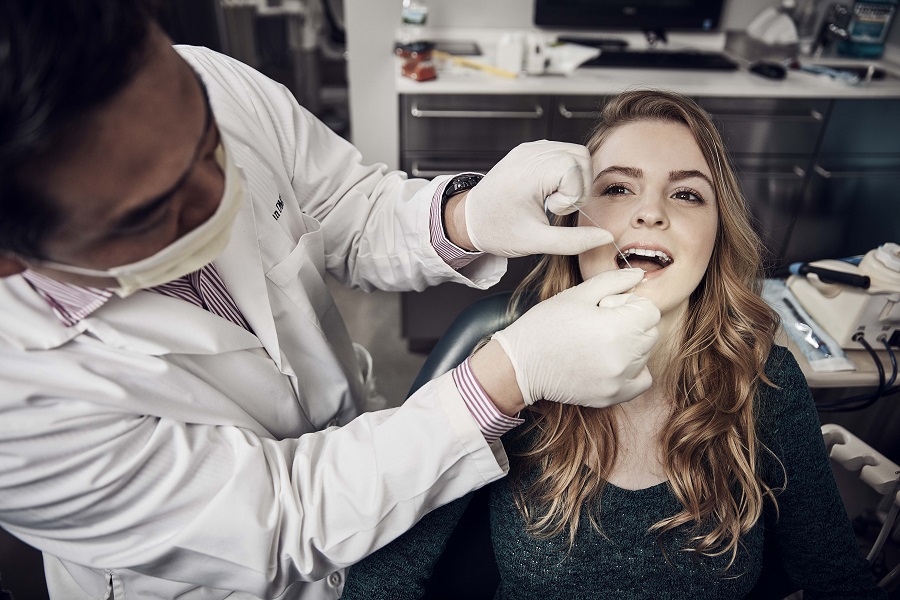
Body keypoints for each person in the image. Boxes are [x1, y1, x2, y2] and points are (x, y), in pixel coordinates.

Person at [0, 2, 665, 600]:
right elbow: (282, 515)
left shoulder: (205, 80)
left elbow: (345, 205)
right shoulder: (14, 407)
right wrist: (503, 378)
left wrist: (468, 218)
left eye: (211, 141)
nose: (221, 195)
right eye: (155, 212)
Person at [341, 90, 887, 599]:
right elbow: (380, 582)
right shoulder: (503, 372)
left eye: (686, 193)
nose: (651, 212)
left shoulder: (765, 382)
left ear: (718, 233)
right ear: (571, 221)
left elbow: (838, 581)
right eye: (618, 188)